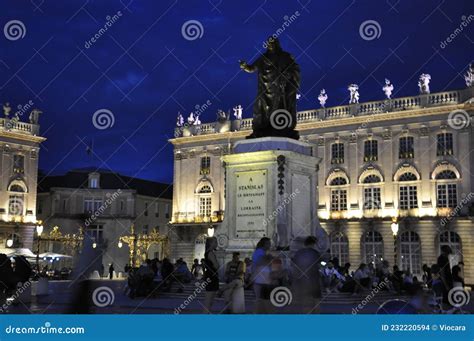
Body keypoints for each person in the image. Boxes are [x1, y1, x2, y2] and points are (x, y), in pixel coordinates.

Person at [291, 236, 322, 313]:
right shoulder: (315, 253)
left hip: (303, 283)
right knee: (316, 303)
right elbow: (321, 265)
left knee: (306, 305)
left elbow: (294, 268)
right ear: (313, 244)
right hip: (314, 282)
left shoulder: (299, 253)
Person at [251, 237, 271, 301]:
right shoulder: (259, 252)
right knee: (261, 300)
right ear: (264, 244)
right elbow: (259, 264)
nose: (270, 245)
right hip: (260, 279)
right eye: (269, 243)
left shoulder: (262, 252)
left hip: (263, 279)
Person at [203, 237, 219, 313]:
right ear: (211, 243)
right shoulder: (210, 253)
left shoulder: (207, 253)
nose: (217, 244)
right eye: (215, 242)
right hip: (212, 277)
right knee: (209, 300)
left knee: (209, 301)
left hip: (209, 276)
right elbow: (216, 266)